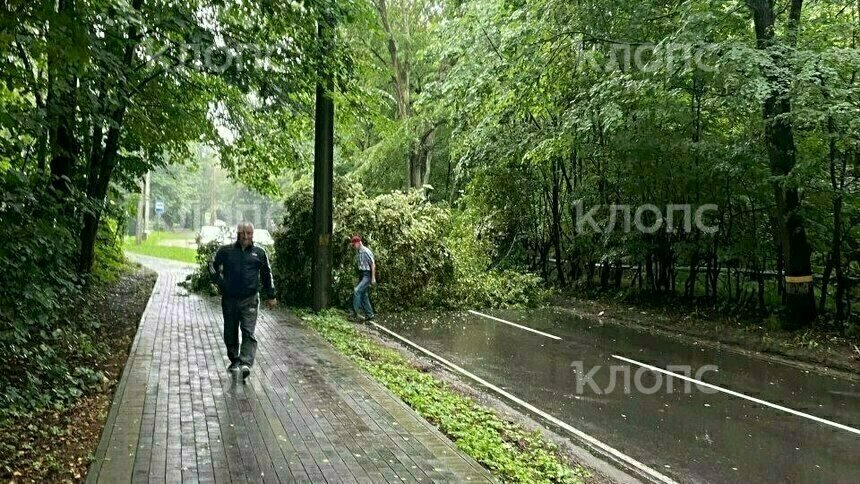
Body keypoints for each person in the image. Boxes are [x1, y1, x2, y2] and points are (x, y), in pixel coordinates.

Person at [209, 222, 276, 380]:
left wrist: (271, 295)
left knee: (248, 331)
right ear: (237, 233)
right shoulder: (226, 251)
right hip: (230, 299)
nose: (246, 236)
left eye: (249, 233)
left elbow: (267, 274)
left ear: (253, 235)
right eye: (242, 233)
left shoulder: (259, 253)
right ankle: (234, 359)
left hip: (250, 299)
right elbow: (212, 265)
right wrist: (220, 282)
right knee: (230, 333)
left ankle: (245, 363)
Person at [350, 235, 376, 321]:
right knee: (364, 295)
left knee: (357, 291)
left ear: (358, 243)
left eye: (354, 245)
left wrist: (373, 278)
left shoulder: (366, 251)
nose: (353, 246)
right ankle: (370, 314)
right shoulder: (358, 251)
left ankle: (354, 313)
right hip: (361, 274)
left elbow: (372, 264)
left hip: (367, 275)